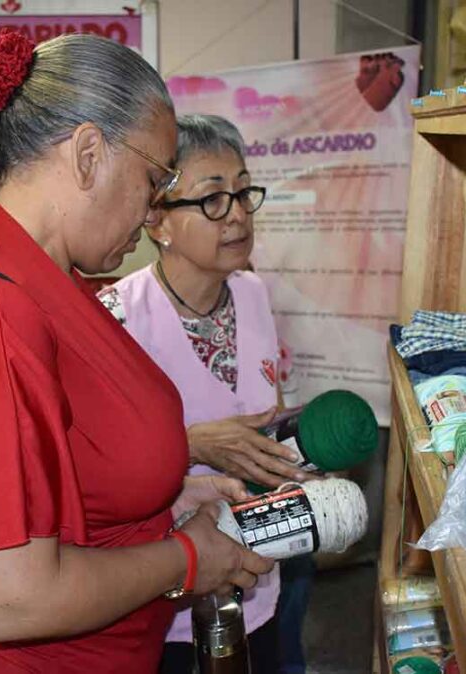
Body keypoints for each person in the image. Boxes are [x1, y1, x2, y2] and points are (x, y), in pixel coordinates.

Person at [0, 32, 272, 673]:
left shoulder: (47, 277)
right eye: (154, 179)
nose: (154, 207)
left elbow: (65, 469)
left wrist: (163, 503)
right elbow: (4, 597)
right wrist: (185, 560)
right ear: (90, 154)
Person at [99, 114, 311, 673]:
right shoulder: (117, 320)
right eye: (214, 199)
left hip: (259, 574)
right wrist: (190, 444)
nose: (238, 214)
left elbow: (262, 408)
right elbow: (95, 479)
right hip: (164, 600)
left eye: (244, 191)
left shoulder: (253, 292)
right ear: (158, 221)